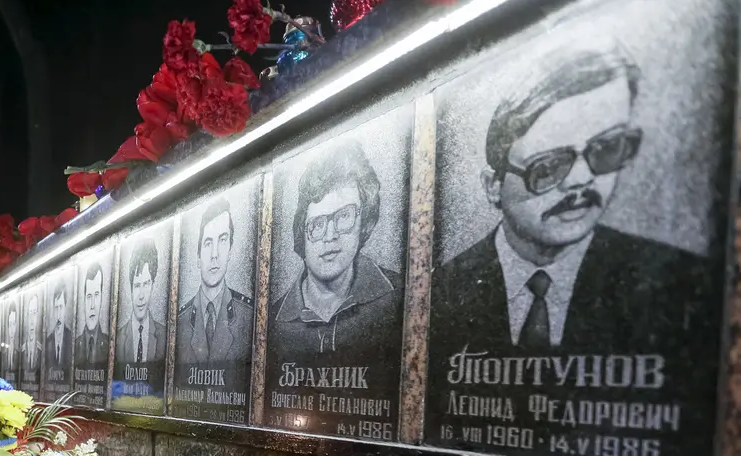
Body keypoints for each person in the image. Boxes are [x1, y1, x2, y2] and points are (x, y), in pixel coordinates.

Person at [431, 46, 706, 352]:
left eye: (606, 149)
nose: (581, 179)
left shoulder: (679, 285)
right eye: (548, 167)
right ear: (494, 185)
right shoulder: (434, 294)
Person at [270, 141, 402, 358]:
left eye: (343, 216)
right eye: (318, 224)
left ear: (364, 221)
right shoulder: (273, 319)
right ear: (302, 231)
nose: (330, 236)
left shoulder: (398, 296)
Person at [176, 200, 253, 364]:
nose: (215, 254)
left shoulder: (248, 316)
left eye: (223, 240)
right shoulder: (180, 321)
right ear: (198, 257)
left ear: (230, 251)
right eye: (208, 243)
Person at [118, 240, 167, 364]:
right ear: (130, 288)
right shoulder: (119, 338)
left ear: (153, 285)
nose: (141, 296)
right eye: (137, 285)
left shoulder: (163, 336)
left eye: (146, 284)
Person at [74, 265, 109, 367]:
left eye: (96, 295)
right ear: (84, 300)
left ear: (102, 297)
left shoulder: (108, 345)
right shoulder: (74, 346)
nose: (92, 305)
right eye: (89, 297)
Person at [46, 285, 72, 370]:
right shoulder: (48, 341)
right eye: (56, 308)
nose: (58, 314)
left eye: (61, 307)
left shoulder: (71, 339)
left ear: (65, 307)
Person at [23, 294, 43, 374]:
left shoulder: (41, 349)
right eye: (30, 313)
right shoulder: (22, 350)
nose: (31, 320)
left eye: (34, 313)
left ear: (38, 316)